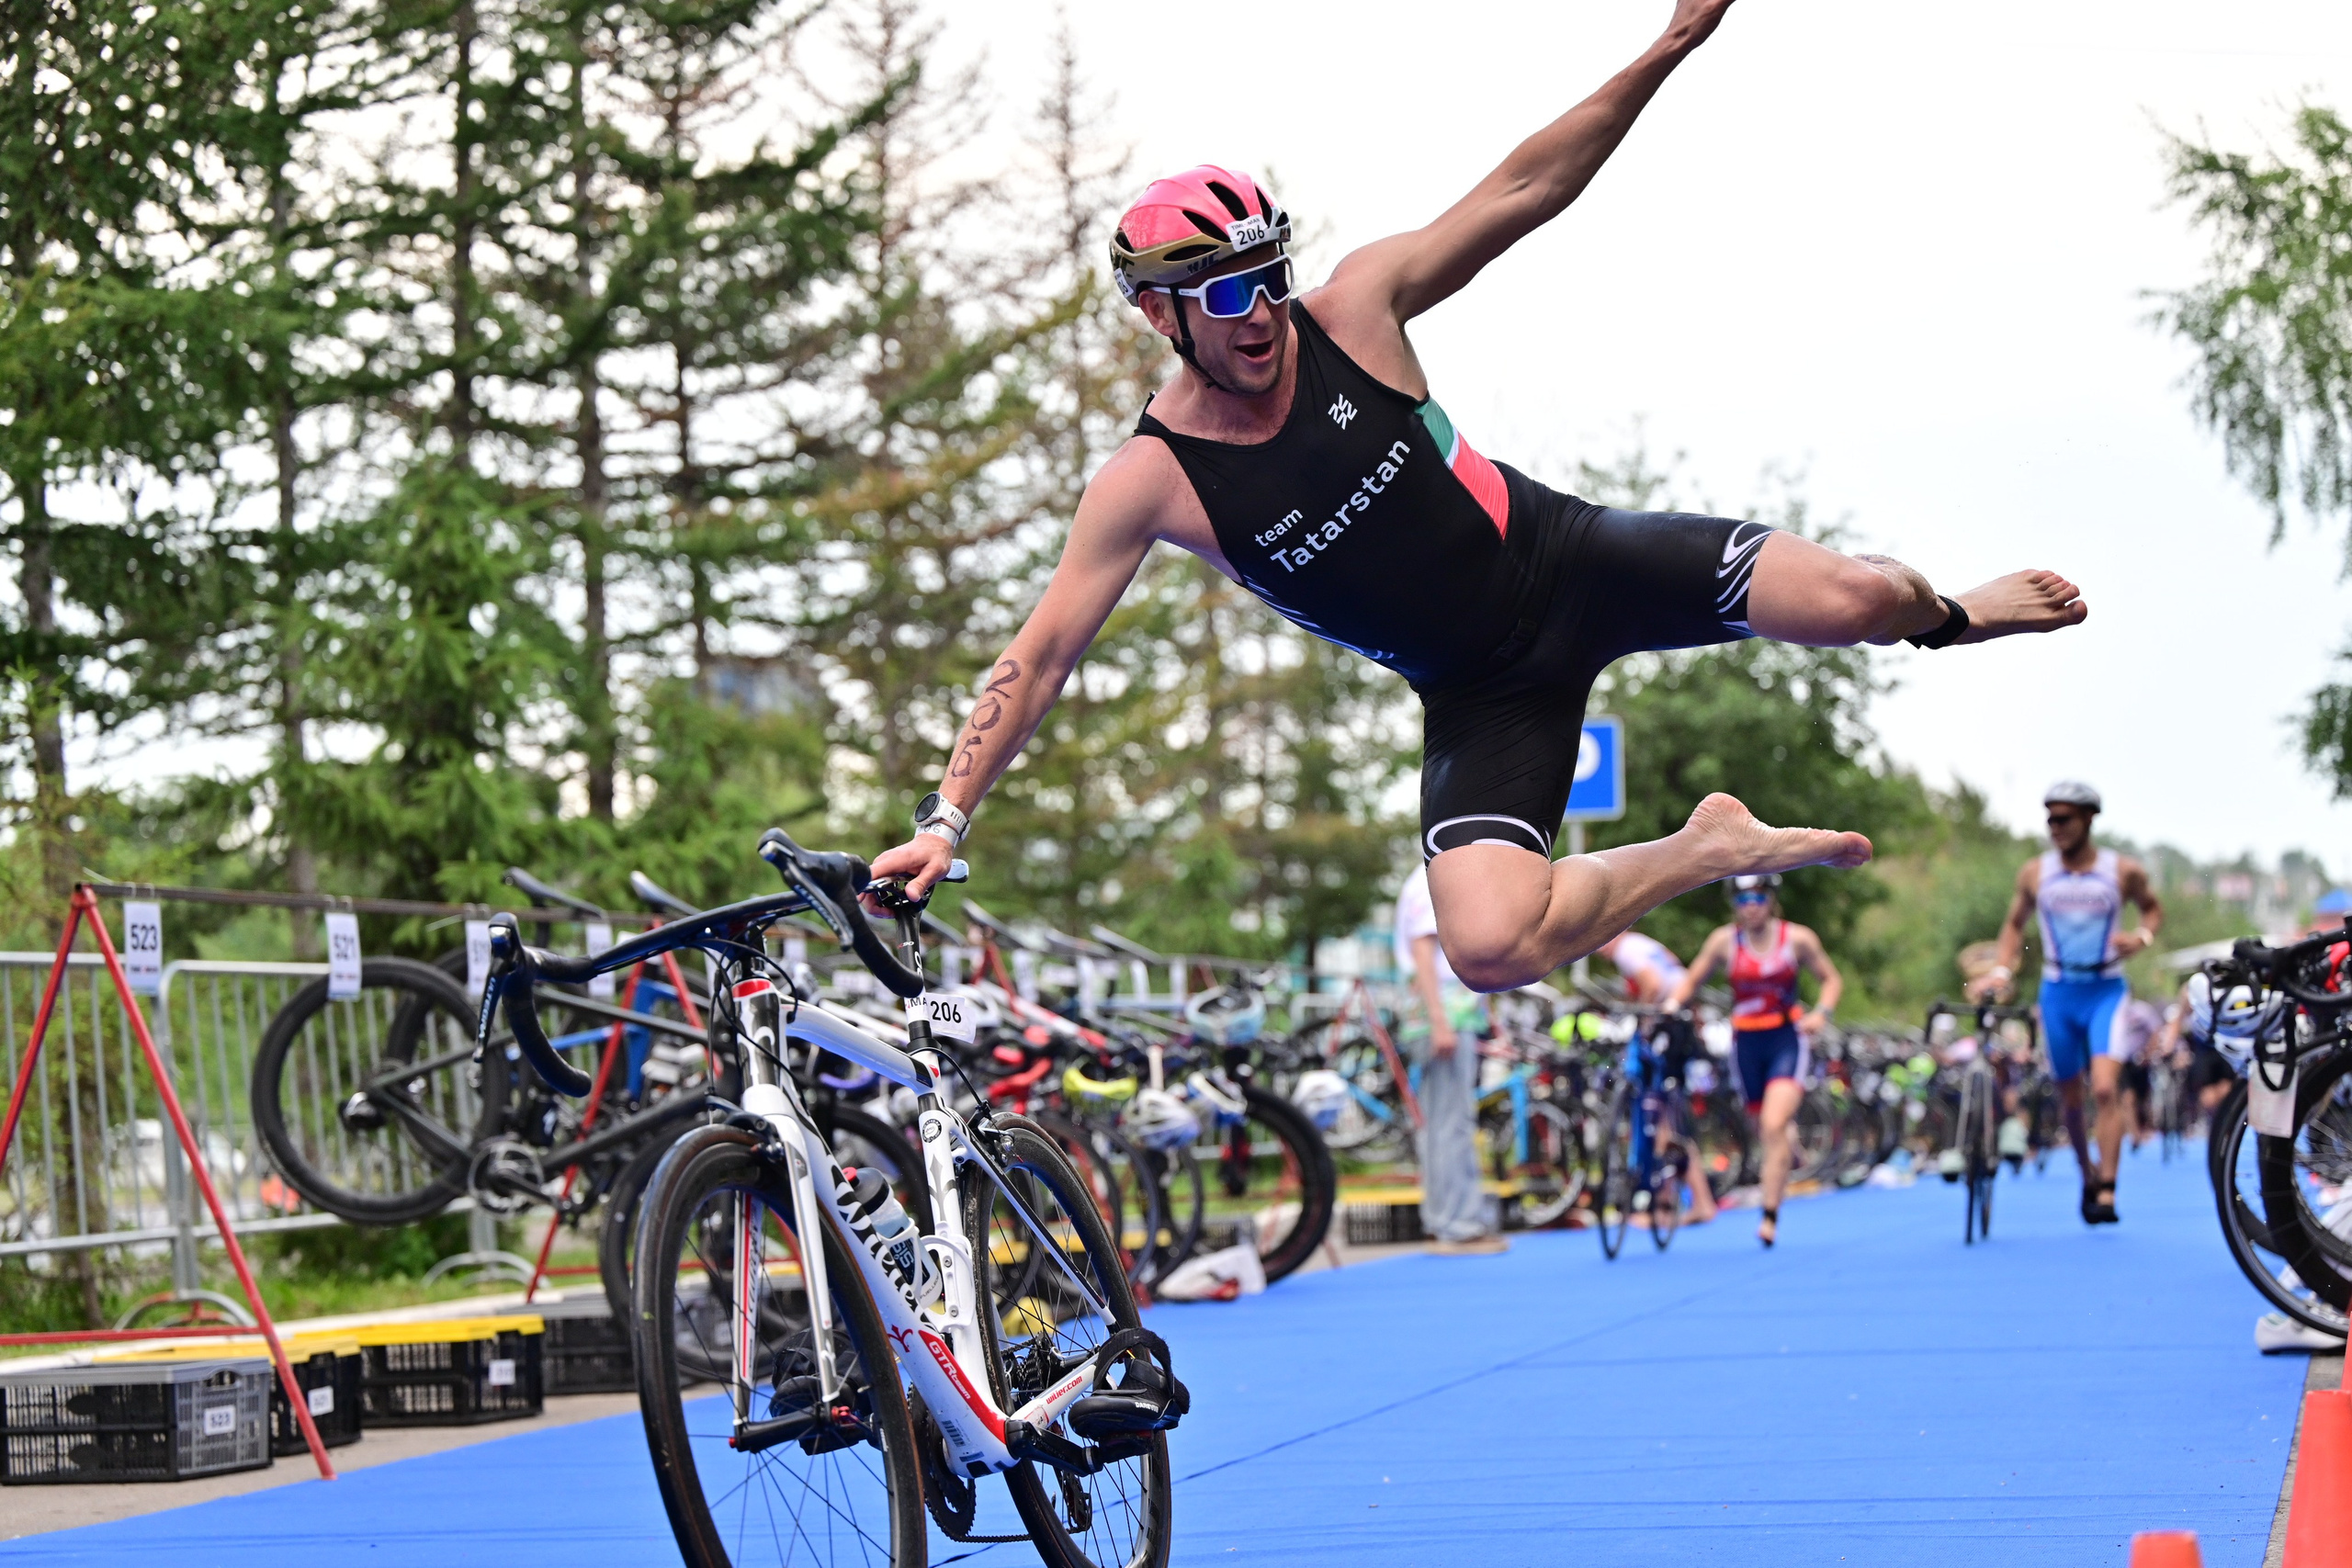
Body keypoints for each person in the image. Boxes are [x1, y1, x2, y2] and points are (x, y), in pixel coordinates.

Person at [871, 0, 2086, 1006]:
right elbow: (1034, 658)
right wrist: (945, 819)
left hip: (1574, 561)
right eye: (1226, 296)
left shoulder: (1353, 311)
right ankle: (1705, 847)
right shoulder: (1153, 484)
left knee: (1863, 594)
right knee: (1490, 945)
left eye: (1267, 277)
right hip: (1476, 691)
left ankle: (1955, 618)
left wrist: (1665, 47)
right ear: (1159, 312)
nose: (1261, 316)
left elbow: (1523, 186)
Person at [1973, 782, 2164, 1225]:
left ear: (2089, 820)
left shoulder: (2122, 871)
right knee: (2071, 1097)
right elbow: (2014, 926)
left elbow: (2152, 910)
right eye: (2050, 820)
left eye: (2064, 819)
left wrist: (2141, 937)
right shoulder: (2035, 874)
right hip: (2058, 992)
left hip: (2105, 991)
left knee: (2103, 1087)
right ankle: (2087, 1172)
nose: (2055, 828)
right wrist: (2003, 969)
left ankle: (2110, 1190)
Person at [1663, 874, 1841, 1247]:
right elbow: (1690, 982)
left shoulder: (1797, 939)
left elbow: (1830, 979)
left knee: (1773, 1126)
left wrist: (1821, 1013)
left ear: (1770, 899)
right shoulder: (1724, 942)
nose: (1750, 907)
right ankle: (1787, 1144)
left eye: (1758, 898)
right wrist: (1670, 1006)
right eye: (1743, 900)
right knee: (1764, 1127)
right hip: (1746, 1044)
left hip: (1785, 1040)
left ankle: (1769, 1217)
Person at [1394, 862, 1505, 1256]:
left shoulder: (1429, 879)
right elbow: (1423, 950)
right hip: (1442, 1017)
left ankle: (1445, 1219)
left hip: (1446, 1015)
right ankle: (1456, 1224)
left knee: (1442, 1122)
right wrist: (1440, 1020)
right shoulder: (1432, 880)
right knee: (1450, 1122)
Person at [1600, 931, 1686, 1005]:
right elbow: (1673, 960)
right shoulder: (1635, 939)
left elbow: (1652, 986)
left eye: (1604, 942)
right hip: (1685, 989)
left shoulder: (1623, 951)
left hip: (1674, 1000)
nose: (1600, 950)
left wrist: (1643, 1015)